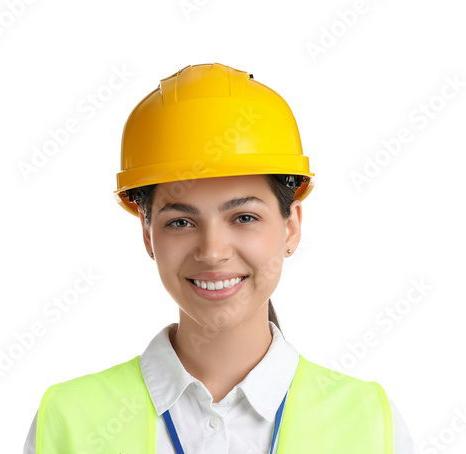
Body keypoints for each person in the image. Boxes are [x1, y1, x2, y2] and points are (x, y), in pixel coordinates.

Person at [23, 63, 415, 453]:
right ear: (148, 234)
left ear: (291, 226)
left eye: (244, 217)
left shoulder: (370, 424)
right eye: (180, 222)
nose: (212, 251)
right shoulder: (68, 420)